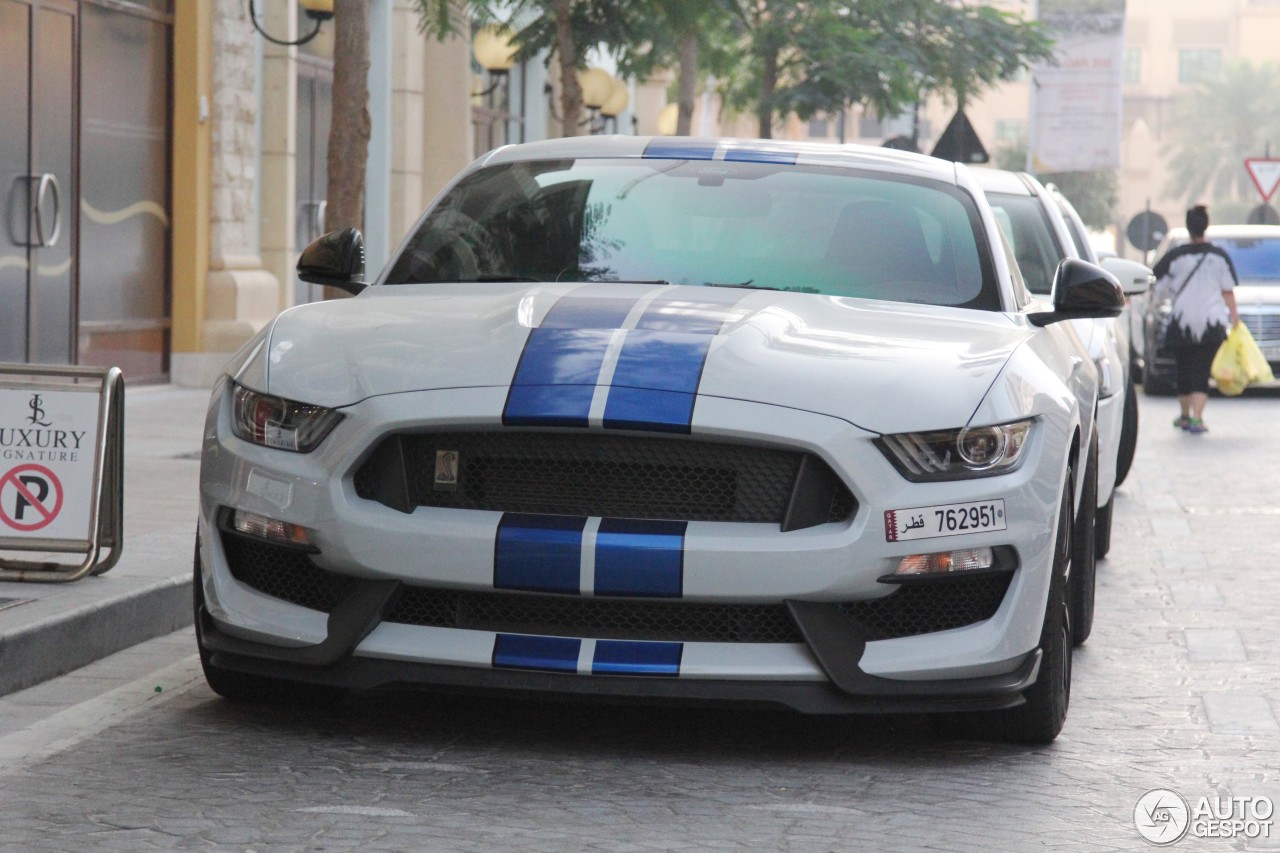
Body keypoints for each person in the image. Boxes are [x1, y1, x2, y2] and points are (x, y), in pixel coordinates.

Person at [1150, 204, 1240, 433]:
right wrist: (1235, 317)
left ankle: (1184, 414)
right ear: (1206, 225)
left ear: (1188, 226)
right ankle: (1197, 419)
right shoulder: (1219, 257)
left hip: (1182, 321)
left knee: (1183, 369)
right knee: (1202, 369)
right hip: (1211, 322)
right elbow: (1228, 290)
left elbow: (1158, 289)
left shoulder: (1174, 257)